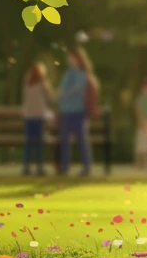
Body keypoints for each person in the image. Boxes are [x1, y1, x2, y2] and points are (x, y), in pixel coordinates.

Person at [58, 48, 98, 176]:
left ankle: (86, 167)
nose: (70, 59)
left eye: (72, 57)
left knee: (82, 140)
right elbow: (62, 90)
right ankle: (64, 166)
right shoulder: (67, 74)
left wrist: (63, 93)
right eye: (69, 57)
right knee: (64, 140)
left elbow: (75, 89)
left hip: (78, 112)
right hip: (66, 111)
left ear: (78, 59)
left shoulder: (82, 74)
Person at [21, 63, 54, 176]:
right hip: (38, 116)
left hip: (28, 116)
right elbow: (50, 97)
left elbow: (25, 98)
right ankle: (39, 168)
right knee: (39, 144)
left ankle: (26, 168)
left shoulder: (27, 82)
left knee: (29, 144)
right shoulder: (42, 83)